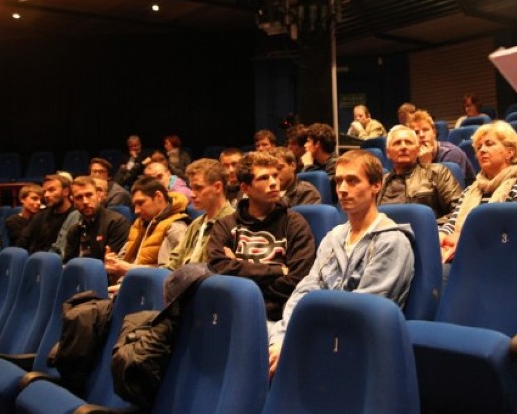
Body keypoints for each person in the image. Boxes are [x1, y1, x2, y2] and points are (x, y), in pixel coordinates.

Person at [267, 149, 415, 375]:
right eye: (339, 181)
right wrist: (285, 335)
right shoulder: (333, 236)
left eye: (353, 181)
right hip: (319, 333)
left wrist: (301, 337)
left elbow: (365, 309)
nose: (343, 189)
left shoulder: (392, 241)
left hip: (358, 344)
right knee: (258, 338)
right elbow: (306, 289)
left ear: (376, 186)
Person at [205, 152, 316, 322]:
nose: (273, 183)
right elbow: (217, 267)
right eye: (264, 178)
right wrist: (277, 271)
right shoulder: (225, 225)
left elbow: (298, 280)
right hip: (230, 311)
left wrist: (237, 267)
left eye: (275, 176)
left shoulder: (294, 223)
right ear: (245, 188)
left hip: (276, 316)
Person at [439, 121, 517, 266]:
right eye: (479, 147)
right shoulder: (470, 190)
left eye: (489, 144)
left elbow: (511, 232)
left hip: (499, 260)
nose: (482, 150)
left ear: (510, 152)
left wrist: (464, 240)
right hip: (461, 256)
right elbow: (452, 224)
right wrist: (440, 237)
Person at [105, 176, 190, 285]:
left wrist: (129, 269)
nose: (136, 210)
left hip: (150, 292)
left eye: (140, 203)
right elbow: (124, 260)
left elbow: (168, 275)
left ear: (158, 196)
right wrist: (114, 263)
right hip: (127, 286)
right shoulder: (140, 224)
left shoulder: (175, 227)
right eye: (135, 205)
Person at [377, 125, 461, 221]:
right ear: (388, 152)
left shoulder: (437, 172)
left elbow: (459, 210)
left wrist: (436, 229)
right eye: (397, 143)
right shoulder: (379, 183)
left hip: (424, 233)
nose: (403, 146)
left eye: (408, 142)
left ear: (417, 150)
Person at [165, 159, 235, 270]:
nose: (192, 194)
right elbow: (174, 263)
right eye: (191, 188)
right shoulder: (196, 223)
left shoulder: (233, 224)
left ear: (217, 187)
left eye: (198, 188)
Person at [64, 176, 130, 263]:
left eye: (89, 195)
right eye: (79, 197)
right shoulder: (74, 230)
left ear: (98, 195)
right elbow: (68, 262)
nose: (85, 202)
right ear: (73, 202)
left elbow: (113, 264)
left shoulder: (116, 223)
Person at [408, 109, 477, 185]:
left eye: (425, 130)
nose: (421, 135)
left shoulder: (452, 154)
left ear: (434, 132)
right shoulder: (413, 156)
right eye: (416, 132)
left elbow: (447, 192)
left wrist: (426, 164)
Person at [16, 174, 75, 253]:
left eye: (51, 190)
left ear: (66, 191)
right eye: (45, 191)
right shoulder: (40, 215)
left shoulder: (76, 216)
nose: (46, 195)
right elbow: (22, 242)